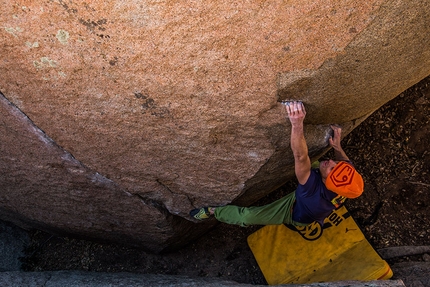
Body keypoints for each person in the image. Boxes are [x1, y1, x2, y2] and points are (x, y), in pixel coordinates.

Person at [190, 101, 364, 227]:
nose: (331, 162)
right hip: (314, 193)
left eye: (331, 169)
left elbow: (300, 157)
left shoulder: (312, 195)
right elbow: (344, 162)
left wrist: (297, 124)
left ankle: (214, 212)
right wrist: (338, 147)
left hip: (295, 212)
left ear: (327, 183)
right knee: (321, 165)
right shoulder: (347, 180)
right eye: (337, 164)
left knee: (247, 217)